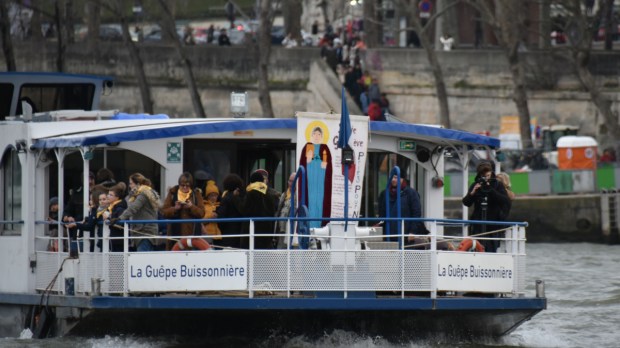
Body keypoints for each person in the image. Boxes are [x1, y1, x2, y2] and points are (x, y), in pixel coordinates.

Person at [462, 162, 511, 253]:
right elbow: (466, 203)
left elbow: (505, 201)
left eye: (488, 175)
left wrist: (491, 190)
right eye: (484, 176)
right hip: (478, 225)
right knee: (476, 250)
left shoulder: (497, 185)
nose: (486, 178)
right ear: (479, 175)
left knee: (491, 250)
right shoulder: (476, 184)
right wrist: (472, 193)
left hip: (492, 226)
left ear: (491, 173)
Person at [299, 125, 332, 228]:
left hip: (321, 178)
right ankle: (309, 225)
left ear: (322, 136)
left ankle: (320, 226)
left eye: (319, 134)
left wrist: (324, 163)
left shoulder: (325, 147)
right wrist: (308, 160)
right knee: (311, 200)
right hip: (310, 177)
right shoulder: (308, 146)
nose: (317, 136)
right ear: (311, 135)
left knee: (320, 200)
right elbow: (304, 163)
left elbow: (328, 165)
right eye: (315, 134)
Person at [161, 172, 205, 250]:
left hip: (192, 233)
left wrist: (191, 207)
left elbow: (202, 213)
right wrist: (175, 208)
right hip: (175, 234)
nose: (185, 187)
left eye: (187, 186)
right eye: (182, 185)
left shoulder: (196, 194)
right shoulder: (172, 193)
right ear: (179, 184)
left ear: (190, 185)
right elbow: (164, 212)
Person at [118, 173, 161, 252]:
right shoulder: (145, 193)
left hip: (145, 232)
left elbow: (133, 208)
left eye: (131, 183)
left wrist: (119, 218)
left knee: (142, 260)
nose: (129, 186)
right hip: (146, 231)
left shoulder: (143, 195)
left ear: (137, 184)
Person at [378, 175, 426, 243]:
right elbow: (382, 214)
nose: (393, 180)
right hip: (389, 234)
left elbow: (416, 213)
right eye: (392, 177)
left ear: (402, 179)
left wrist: (412, 231)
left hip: (406, 235)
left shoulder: (411, 193)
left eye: (396, 177)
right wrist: (380, 229)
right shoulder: (384, 194)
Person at [242, 171, 276, 249]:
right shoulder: (269, 194)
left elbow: (244, 210)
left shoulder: (250, 193)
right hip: (266, 231)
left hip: (252, 230)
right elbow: (272, 213)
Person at [216, 173, 246, 249]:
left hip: (227, 234)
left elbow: (221, 217)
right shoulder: (239, 199)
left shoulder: (226, 199)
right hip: (239, 234)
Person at [104, 183, 128, 252]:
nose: (108, 196)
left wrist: (108, 217)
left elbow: (119, 223)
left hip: (118, 241)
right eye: (108, 194)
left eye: (110, 195)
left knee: (118, 261)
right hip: (113, 239)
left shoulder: (120, 208)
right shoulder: (111, 207)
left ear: (117, 197)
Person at [275, 172, 296, 248]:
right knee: (281, 251)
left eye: (293, 181)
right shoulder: (284, 194)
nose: (290, 183)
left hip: (291, 228)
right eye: (289, 181)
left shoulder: (297, 195)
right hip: (282, 228)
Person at [202, 180, 222, 245]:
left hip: (218, 236)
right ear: (207, 196)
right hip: (207, 235)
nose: (213, 197)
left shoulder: (220, 205)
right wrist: (211, 217)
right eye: (211, 195)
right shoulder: (203, 206)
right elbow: (201, 221)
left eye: (215, 195)